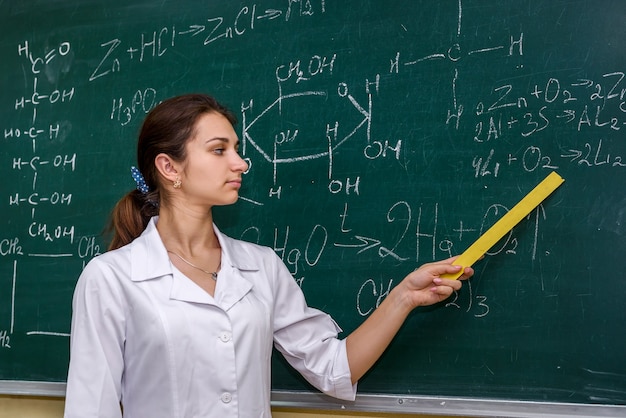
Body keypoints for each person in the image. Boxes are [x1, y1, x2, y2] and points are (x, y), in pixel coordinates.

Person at [63, 93, 473, 418]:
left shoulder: (260, 265)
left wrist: (403, 297)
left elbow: (333, 369)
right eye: (219, 150)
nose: (241, 162)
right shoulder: (111, 278)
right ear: (170, 168)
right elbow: (90, 409)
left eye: (236, 148)